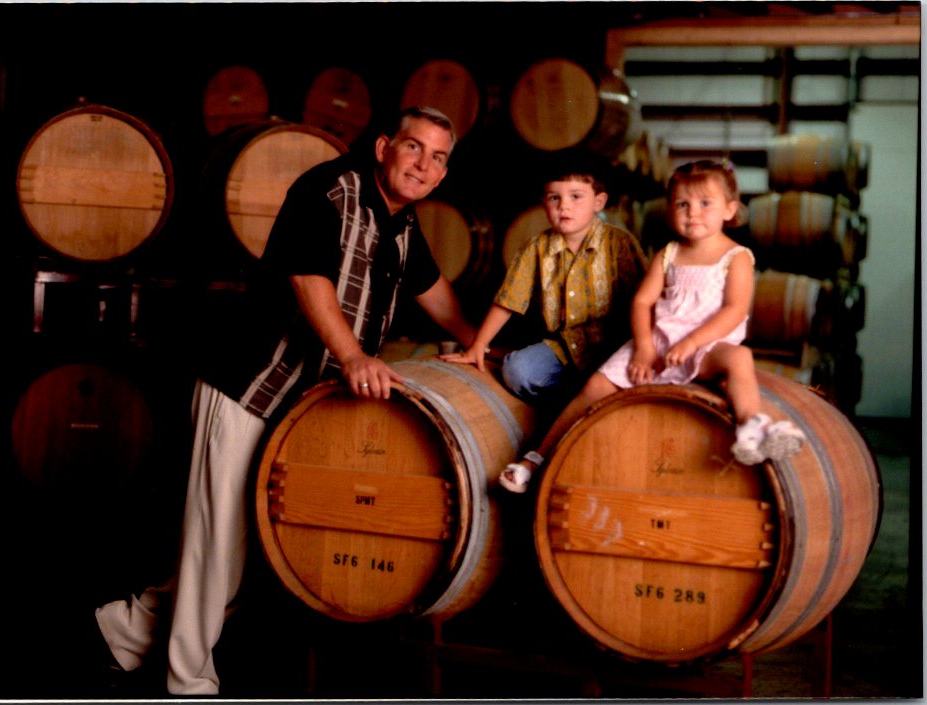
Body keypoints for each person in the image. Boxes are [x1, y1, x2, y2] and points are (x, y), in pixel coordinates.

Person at [94, 106, 476, 695]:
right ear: (383, 147)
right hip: (247, 387)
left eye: (438, 157)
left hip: (299, 410)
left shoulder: (402, 226)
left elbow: (432, 291)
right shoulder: (327, 189)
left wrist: (480, 347)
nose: (423, 164)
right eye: (413, 147)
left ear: (444, 173)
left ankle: (124, 629)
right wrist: (352, 356)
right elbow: (307, 278)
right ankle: (187, 682)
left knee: (248, 552)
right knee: (216, 549)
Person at [499, 159, 806, 493]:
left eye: (705, 204)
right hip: (659, 342)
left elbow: (733, 311)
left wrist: (691, 344)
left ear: (730, 209)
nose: (693, 213)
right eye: (682, 204)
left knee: (740, 359)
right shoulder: (669, 253)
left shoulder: (737, 257)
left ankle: (752, 426)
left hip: (707, 346)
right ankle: (536, 459)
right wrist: (644, 347)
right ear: (670, 208)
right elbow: (642, 302)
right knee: (593, 389)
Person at [442, 150, 647, 415]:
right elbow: (508, 300)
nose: (564, 206)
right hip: (563, 346)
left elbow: (645, 300)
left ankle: (589, 398)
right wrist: (478, 345)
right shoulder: (537, 247)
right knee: (516, 371)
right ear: (543, 202)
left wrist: (643, 348)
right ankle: (569, 405)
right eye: (554, 198)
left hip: (612, 346)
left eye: (576, 196)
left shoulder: (619, 243)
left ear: (599, 201)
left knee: (623, 379)